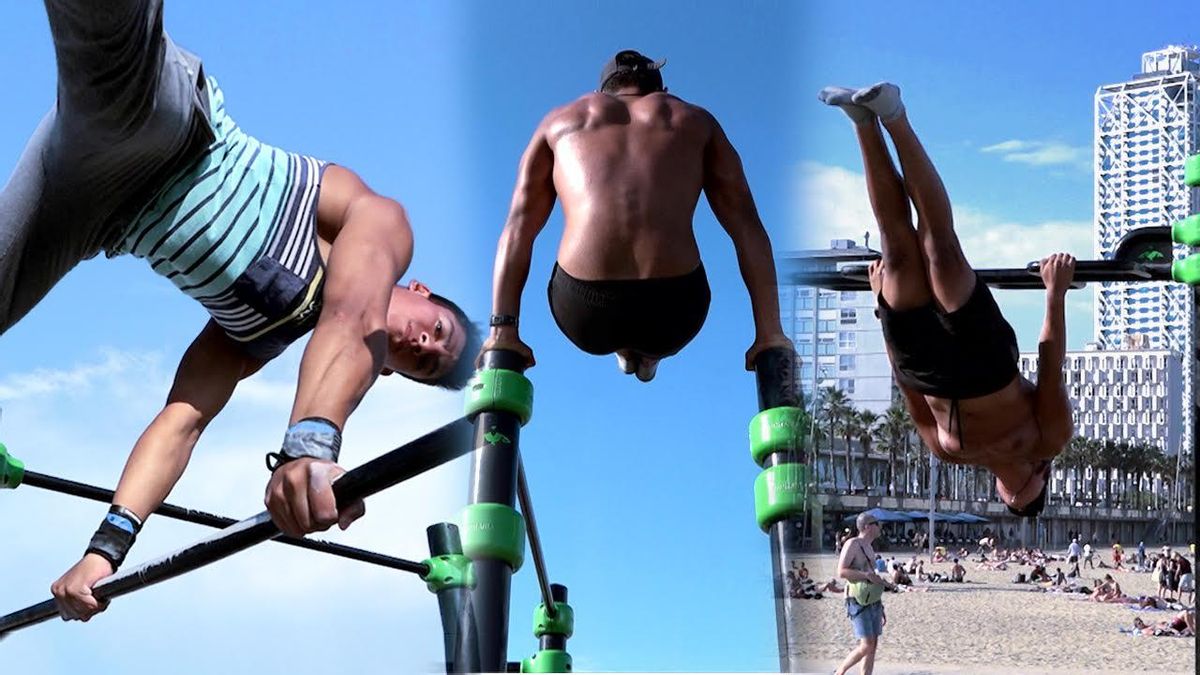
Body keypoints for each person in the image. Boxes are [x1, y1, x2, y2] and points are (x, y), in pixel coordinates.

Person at [16, 2, 480, 622]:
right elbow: (349, 317)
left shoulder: (252, 336)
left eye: (424, 363)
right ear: (420, 290)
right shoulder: (374, 221)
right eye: (439, 331)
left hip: (89, 208)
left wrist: (103, 553)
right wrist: (309, 445)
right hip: (166, 125)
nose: (424, 344)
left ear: (396, 374)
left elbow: (179, 422)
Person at [819, 82, 1074, 517]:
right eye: (1018, 497)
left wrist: (882, 309)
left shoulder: (950, 454)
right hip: (986, 362)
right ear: (1039, 480)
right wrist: (1055, 291)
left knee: (897, 249)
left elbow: (906, 387)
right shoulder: (1048, 440)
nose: (1008, 494)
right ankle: (894, 115)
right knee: (938, 247)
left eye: (1007, 498)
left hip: (927, 372)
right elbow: (1051, 367)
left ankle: (861, 121)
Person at [483, 50, 792, 381]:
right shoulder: (693, 120)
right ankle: (648, 356)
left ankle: (627, 351)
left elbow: (518, 228)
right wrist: (769, 333)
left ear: (603, 93)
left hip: (583, 311)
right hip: (674, 309)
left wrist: (503, 330)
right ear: (662, 91)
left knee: (604, 307)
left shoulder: (559, 122)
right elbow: (747, 228)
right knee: (654, 338)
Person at [835, 512, 897, 675]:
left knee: (873, 645)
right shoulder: (853, 544)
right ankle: (839, 671)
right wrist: (865, 575)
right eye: (877, 524)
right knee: (866, 645)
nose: (880, 527)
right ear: (867, 526)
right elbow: (841, 572)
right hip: (856, 599)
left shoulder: (869, 547)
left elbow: (872, 578)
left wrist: (880, 604)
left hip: (872, 599)